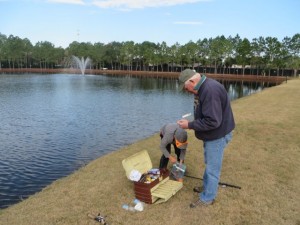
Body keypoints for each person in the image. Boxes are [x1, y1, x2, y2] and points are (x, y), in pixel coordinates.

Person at [176, 69, 235, 208]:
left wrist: (189, 125)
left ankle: (208, 198)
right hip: (214, 135)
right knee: (210, 163)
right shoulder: (203, 87)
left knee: (212, 168)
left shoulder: (209, 90)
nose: (186, 91)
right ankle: (207, 187)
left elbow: (213, 121)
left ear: (192, 81)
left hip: (217, 136)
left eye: (185, 87)